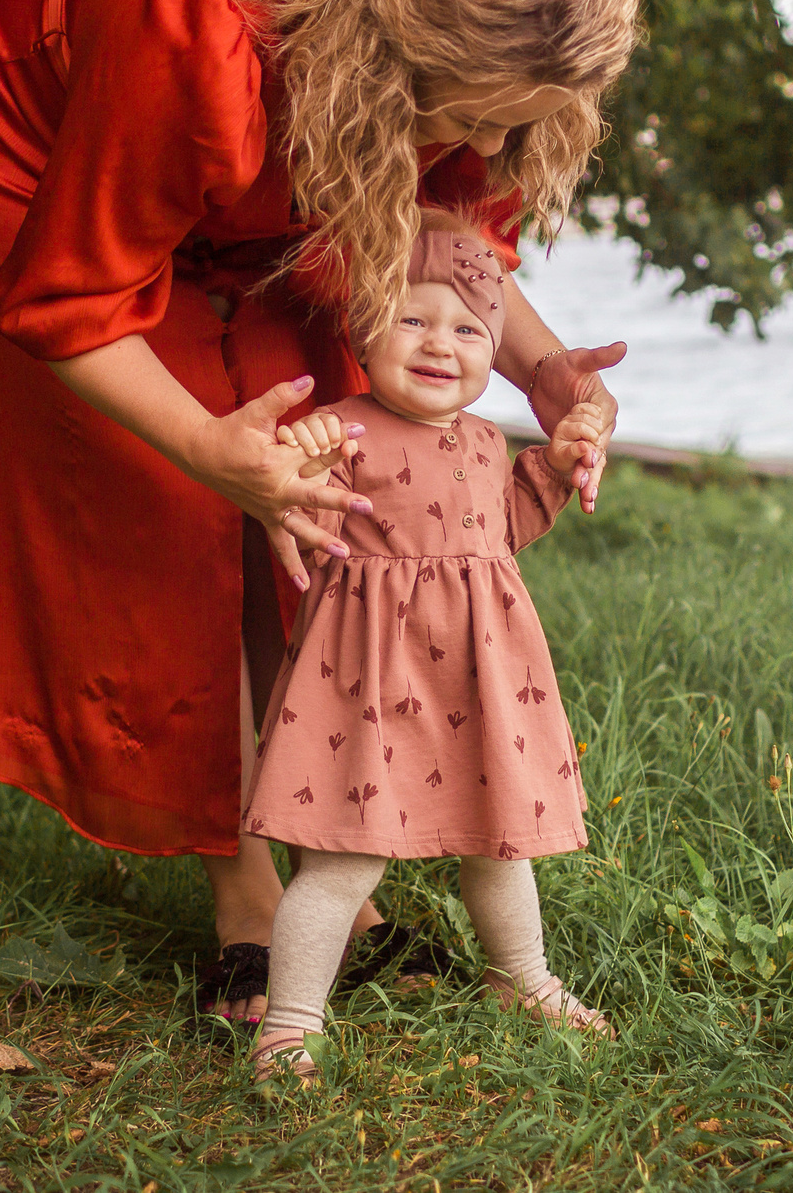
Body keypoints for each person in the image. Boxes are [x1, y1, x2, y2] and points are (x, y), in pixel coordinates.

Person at [0, 0, 638, 1031]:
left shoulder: (479, 73)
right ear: (412, 62)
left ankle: (331, 871)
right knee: (166, 505)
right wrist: (207, 450)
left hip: (283, 144)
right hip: (54, 154)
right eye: (485, 116)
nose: (509, 141)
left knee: (322, 498)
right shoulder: (191, 18)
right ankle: (247, 897)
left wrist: (547, 372)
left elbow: (443, 245)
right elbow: (71, 302)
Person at [243, 218, 611, 1081]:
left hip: (477, 683)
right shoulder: (340, 430)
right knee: (341, 856)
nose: (439, 343)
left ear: (493, 352)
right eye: (411, 319)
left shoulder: (487, 442)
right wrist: (299, 457)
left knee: (499, 842)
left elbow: (503, 530)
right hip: (366, 687)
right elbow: (303, 508)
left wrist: (554, 464)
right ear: (363, 328)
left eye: (468, 328)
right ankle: (290, 1023)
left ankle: (524, 978)